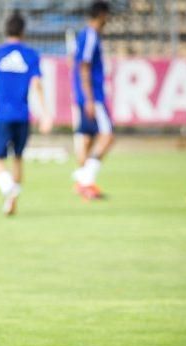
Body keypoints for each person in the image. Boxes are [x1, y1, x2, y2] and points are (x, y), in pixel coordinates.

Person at [0, 11, 52, 216]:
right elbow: (37, 83)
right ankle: (12, 199)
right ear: (23, 31)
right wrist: (45, 114)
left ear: (6, 30)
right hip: (23, 115)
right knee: (18, 158)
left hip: (2, 114)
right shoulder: (31, 55)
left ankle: (7, 188)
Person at [71, 1, 113, 201]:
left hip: (84, 94)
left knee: (87, 139)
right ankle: (85, 177)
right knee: (107, 136)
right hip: (92, 96)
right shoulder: (90, 35)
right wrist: (89, 98)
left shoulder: (85, 35)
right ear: (102, 14)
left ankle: (84, 185)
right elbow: (84, 66)